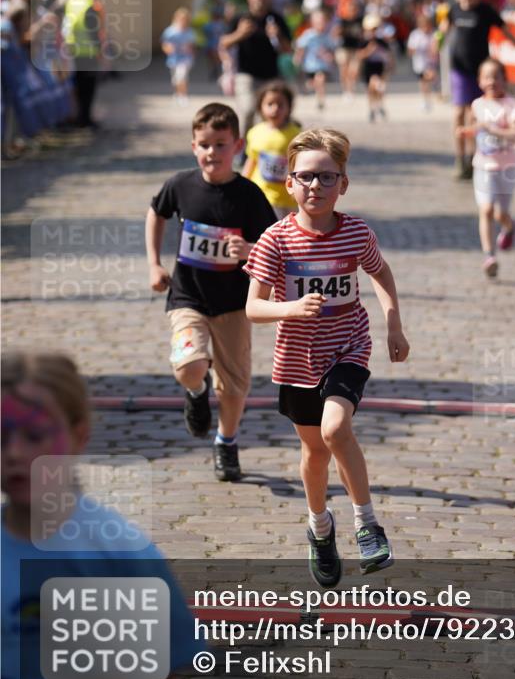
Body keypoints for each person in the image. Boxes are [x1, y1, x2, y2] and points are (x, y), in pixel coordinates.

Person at [244, 128, 410, 585]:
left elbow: (381, 274)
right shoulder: (275, 240)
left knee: (336, 430)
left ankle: (367, 524)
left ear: (344, 184)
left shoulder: (355, 231)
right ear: (290, 183)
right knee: (314, 450)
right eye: (306, 177)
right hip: (297, 358)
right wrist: (290, 308)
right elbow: (253, 307)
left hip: (348, 347)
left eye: (327, 177)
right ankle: (320, 528)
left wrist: (393, 323)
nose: (316, 186)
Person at [1, 350, 201, 679]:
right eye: (1, 437)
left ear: (78, 436)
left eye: (34, 436)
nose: (14, 453)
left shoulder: (120, 554)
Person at [146, 102, 275, 481]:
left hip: (235, 303)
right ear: (193, 146)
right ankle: (197, 391)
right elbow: (156, 212)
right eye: (204, 144)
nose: (211, 153)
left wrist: (250, 250)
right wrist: (154, 262)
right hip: (188, 297)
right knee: (189, 365)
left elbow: (273, 242)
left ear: (237, 147)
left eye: (220, 145)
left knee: (235, 384)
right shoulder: (180, 185)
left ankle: (226, 441)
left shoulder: (249, 195)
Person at [444, 0, 515, 180]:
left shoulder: (485, 11)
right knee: (458, 113)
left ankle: (474, 157)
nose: (468, 0)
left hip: (480, 70)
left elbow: (505, 31)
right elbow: (445, 31)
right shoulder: (454, 9)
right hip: (459, 67)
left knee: (474, 113)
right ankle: (459, 157)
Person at [457, 60, 515, 279]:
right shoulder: (476, 105)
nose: (491, 81)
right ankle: (489, 256)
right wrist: (467, 132)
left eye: (496, 77)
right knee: (485, 210)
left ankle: (510, 228)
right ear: (479, 81)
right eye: (486, 77)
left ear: (505, 80)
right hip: (483, 166)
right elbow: (476, 130)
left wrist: (491, 129)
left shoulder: (511, 105)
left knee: (500, 213)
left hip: (506, 168)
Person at [221, 0, 291, 137]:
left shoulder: (276, 19)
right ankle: (243, 149)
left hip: (271, 76)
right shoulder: (241, 18)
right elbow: (223, 43)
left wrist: (277, 35)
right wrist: (240, 33)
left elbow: (288, 49)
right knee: (247, 110)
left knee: (264, 117)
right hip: (246, 75)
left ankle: (260, 152)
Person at [243, 80, 301, 219]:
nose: (275, 109)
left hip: (288, 198)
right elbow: (252, 161)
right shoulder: (255, 132)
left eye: (280, 105)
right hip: (262, 195)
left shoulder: (296, 135)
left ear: (289, 107)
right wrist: (243, 185)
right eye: (270, 104)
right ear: (260, 107)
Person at [62, 0, 105, 128]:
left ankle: (80, 117)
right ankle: (86, 119)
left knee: (79, 86)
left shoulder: (72, 3)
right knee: (89, 88)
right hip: (88, 52)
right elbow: (93, 31)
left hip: (74, 50)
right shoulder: (89, 5)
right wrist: (99, 50)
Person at [293, 9, 339, 111]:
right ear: (313, 23)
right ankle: (314, 91)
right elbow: (301, 47)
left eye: (323, 22)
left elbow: (331, 49)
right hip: (309, 65)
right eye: (318, 22)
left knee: (320, 79)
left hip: (322, 65)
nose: (321, 25)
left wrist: (330, 57)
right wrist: (298, 58)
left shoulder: (327, 37)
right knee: (311, 83)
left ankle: (321, 101)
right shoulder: (308, 35)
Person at [357, 13, 393, 123]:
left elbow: (388, 54)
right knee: (371, 89)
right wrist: (369, 50)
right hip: (368, 67)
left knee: (378, 87)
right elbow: (359, 55)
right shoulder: (364, 42)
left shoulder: (381, 42)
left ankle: (378, 106)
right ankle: (373, 108)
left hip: (379, 67)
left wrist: (390, 65)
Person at [161, 7, 196, 104]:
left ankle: (183, 95)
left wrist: (190, 50)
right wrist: (169, 49)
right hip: (173, 59)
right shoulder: (170, 31)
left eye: (184, 19)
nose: (183, 21)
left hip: (185, 59)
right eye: (181, 18)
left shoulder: (189, 32)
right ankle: (177, 93)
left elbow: (192, 46)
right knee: (175, 79)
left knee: (182, 76)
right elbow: (165, 45)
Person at [407, 12, 438, 110]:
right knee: (423, 82)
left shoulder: (435, 33)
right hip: (420, 63)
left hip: (432, 63)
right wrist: (416, 49)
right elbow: (410, 50)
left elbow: (439, 47)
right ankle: (426, 100)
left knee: (429, 78)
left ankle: (435, 92)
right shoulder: (415, 34)